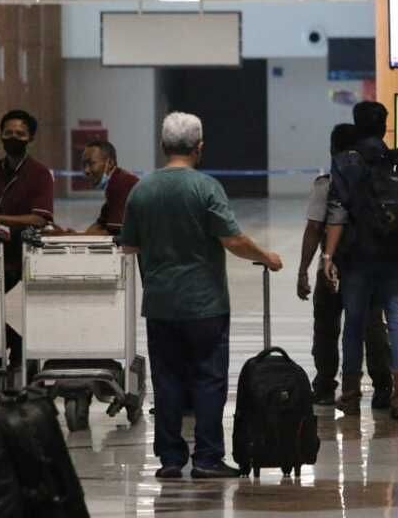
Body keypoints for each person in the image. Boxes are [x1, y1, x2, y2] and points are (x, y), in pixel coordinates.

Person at [120, 112, 282, 480]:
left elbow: (128, 245)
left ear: (163, 146)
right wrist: (266, 257)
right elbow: (233, 240)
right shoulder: (206, 188)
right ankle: (207, 458)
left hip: (160, 304)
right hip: (204, 304)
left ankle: (170, 459)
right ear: (199, 147)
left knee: (168, 380)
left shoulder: (141, 190)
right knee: (208, 380)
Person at [323, 101, 398, 420]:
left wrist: (328, 256)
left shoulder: (345, 162)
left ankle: (351, 394)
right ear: (385, 127)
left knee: (354, 322)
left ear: (356, 126)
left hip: (358, 256)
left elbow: (338, 213)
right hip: (397, 254)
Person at [296, 123, 393, 409]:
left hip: (333, 266)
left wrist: (303, 270)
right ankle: (382, 387)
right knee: (372, 325)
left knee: (327, 326)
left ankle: (326, 385)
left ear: (332, 149)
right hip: (368, 266)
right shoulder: (376, 182)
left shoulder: (326, 183)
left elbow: (314, 228)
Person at [0, 109, 55, 378]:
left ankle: (19, 361)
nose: (13, 137)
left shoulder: (40, 174)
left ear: (30, 138)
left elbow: (39, 219)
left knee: (2, 317)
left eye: (20, 134)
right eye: (8, 133)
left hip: (20, 262)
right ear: (0, 135)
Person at [80, 139, 139, 236]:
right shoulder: (116, 182)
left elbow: (114, 233)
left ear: (110, 163)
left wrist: (77, 237)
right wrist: (69, 234)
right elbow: (100, 224)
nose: (86, 170)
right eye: (84, 164)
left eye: (91, 163)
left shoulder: (121, 184)